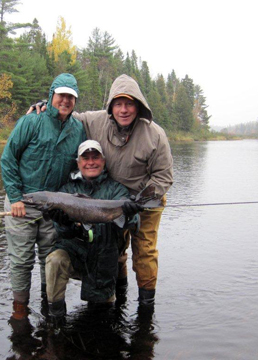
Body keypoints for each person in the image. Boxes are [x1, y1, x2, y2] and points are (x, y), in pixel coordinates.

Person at [29, 74, 173, 305]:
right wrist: (48, 106)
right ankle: (120, 293)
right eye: (118, 104)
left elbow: (164, 175)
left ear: (138, 106)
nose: (123, 110)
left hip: (145, 198)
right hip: (110, 197)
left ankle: (146, 307)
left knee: (144, 252)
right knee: (116, 246)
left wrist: (141, 199)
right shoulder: (96, 120)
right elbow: (68, 114)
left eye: (129, 103)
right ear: (111, 107)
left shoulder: (155, 134)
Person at [0, 73, 86, 321]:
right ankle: (19, 310)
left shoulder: (77, 129)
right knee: (21, 261)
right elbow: (8, 159)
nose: (66, 101)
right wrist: (15, 197)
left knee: (49, 259)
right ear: (51, 96)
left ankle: (49, 307)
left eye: (71, 97)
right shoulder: (31, 121)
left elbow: (76, 170)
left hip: (54, 208)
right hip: (21, 204)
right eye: (62, 95)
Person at [44, 140, 141, 322]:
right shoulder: (67, 190)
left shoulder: (116, 189)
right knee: (54, 259)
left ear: (103, 161)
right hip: (75, 253)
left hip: (104, 257)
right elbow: (62, 233)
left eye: (95, 157)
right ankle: (56, 317)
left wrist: (129, 214)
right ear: (78, 163)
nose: (91, 162)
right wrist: (64, 223)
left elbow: (133, 223)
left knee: (103, 316)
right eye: (85, 158)